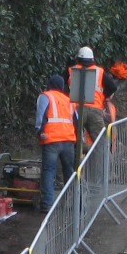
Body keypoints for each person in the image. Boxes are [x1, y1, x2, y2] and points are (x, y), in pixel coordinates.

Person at [35, 73, 77, 213]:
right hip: (68, 140)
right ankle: (75, 202)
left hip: (51, 139)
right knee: (69, 172)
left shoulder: (45, 96)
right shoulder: (69, 100)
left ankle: (47, 204)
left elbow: (40, 117)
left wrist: (39, 132)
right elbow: (76, 120)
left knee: (49, 171)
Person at [68, 46, 110, 149]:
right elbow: (113, 86)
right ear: (92, 59)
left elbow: (62, 88)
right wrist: (104, 98)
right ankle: (101, 163)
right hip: (95, 109)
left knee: (73, 140)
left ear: (78, 58)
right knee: (101, 142)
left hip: (76, 110)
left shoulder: (71, 70)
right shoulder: (99, 71)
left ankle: (77, 162)